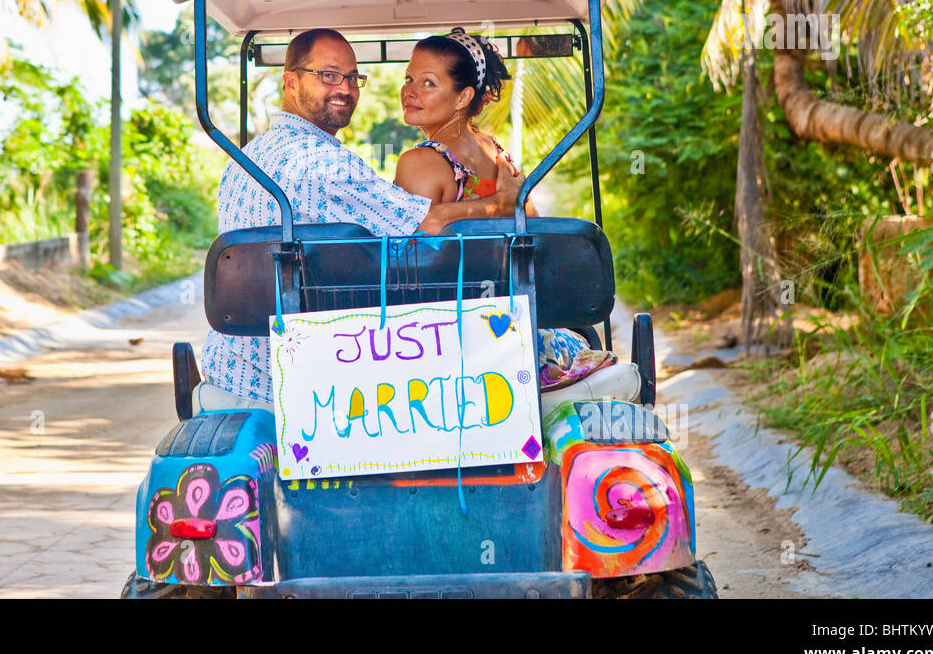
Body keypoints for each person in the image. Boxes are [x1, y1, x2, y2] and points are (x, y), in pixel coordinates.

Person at [195, 28, 524, 412]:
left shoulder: (242, 160)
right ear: (290, 81)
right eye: (329, 75)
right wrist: (501, 204)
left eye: (352, 78)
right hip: (298, 379)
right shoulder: (327, 164)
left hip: (232, 366)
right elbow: (424, 229)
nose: (346, 89)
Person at [394, 27, 640, 403]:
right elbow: (537, 233)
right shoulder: (495, 152)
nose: (409, 91)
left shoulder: (421, 163)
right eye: (409, 78)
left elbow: (411, 255)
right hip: (522, 325)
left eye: (427, 82)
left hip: (452, 341)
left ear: (463, 97)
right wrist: (498, 204)